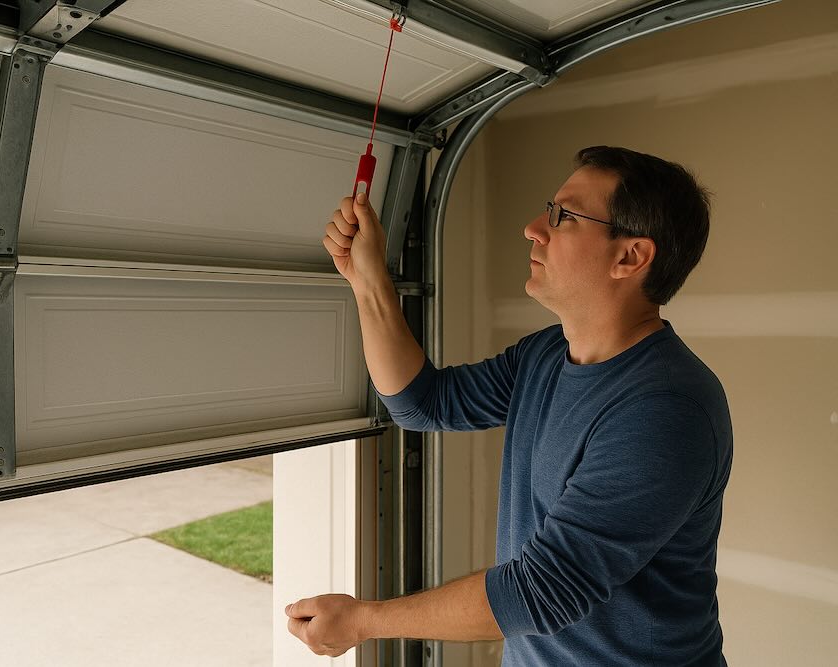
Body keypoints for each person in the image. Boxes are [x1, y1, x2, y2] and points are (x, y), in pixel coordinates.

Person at [285, 146, 733, 666]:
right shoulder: (546, 354)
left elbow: (542, 591)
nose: (533, 227)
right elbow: (422, 403)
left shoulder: (664, 409)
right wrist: (366, 281)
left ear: (629, 257)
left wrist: (365, 621)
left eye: (564, 216)